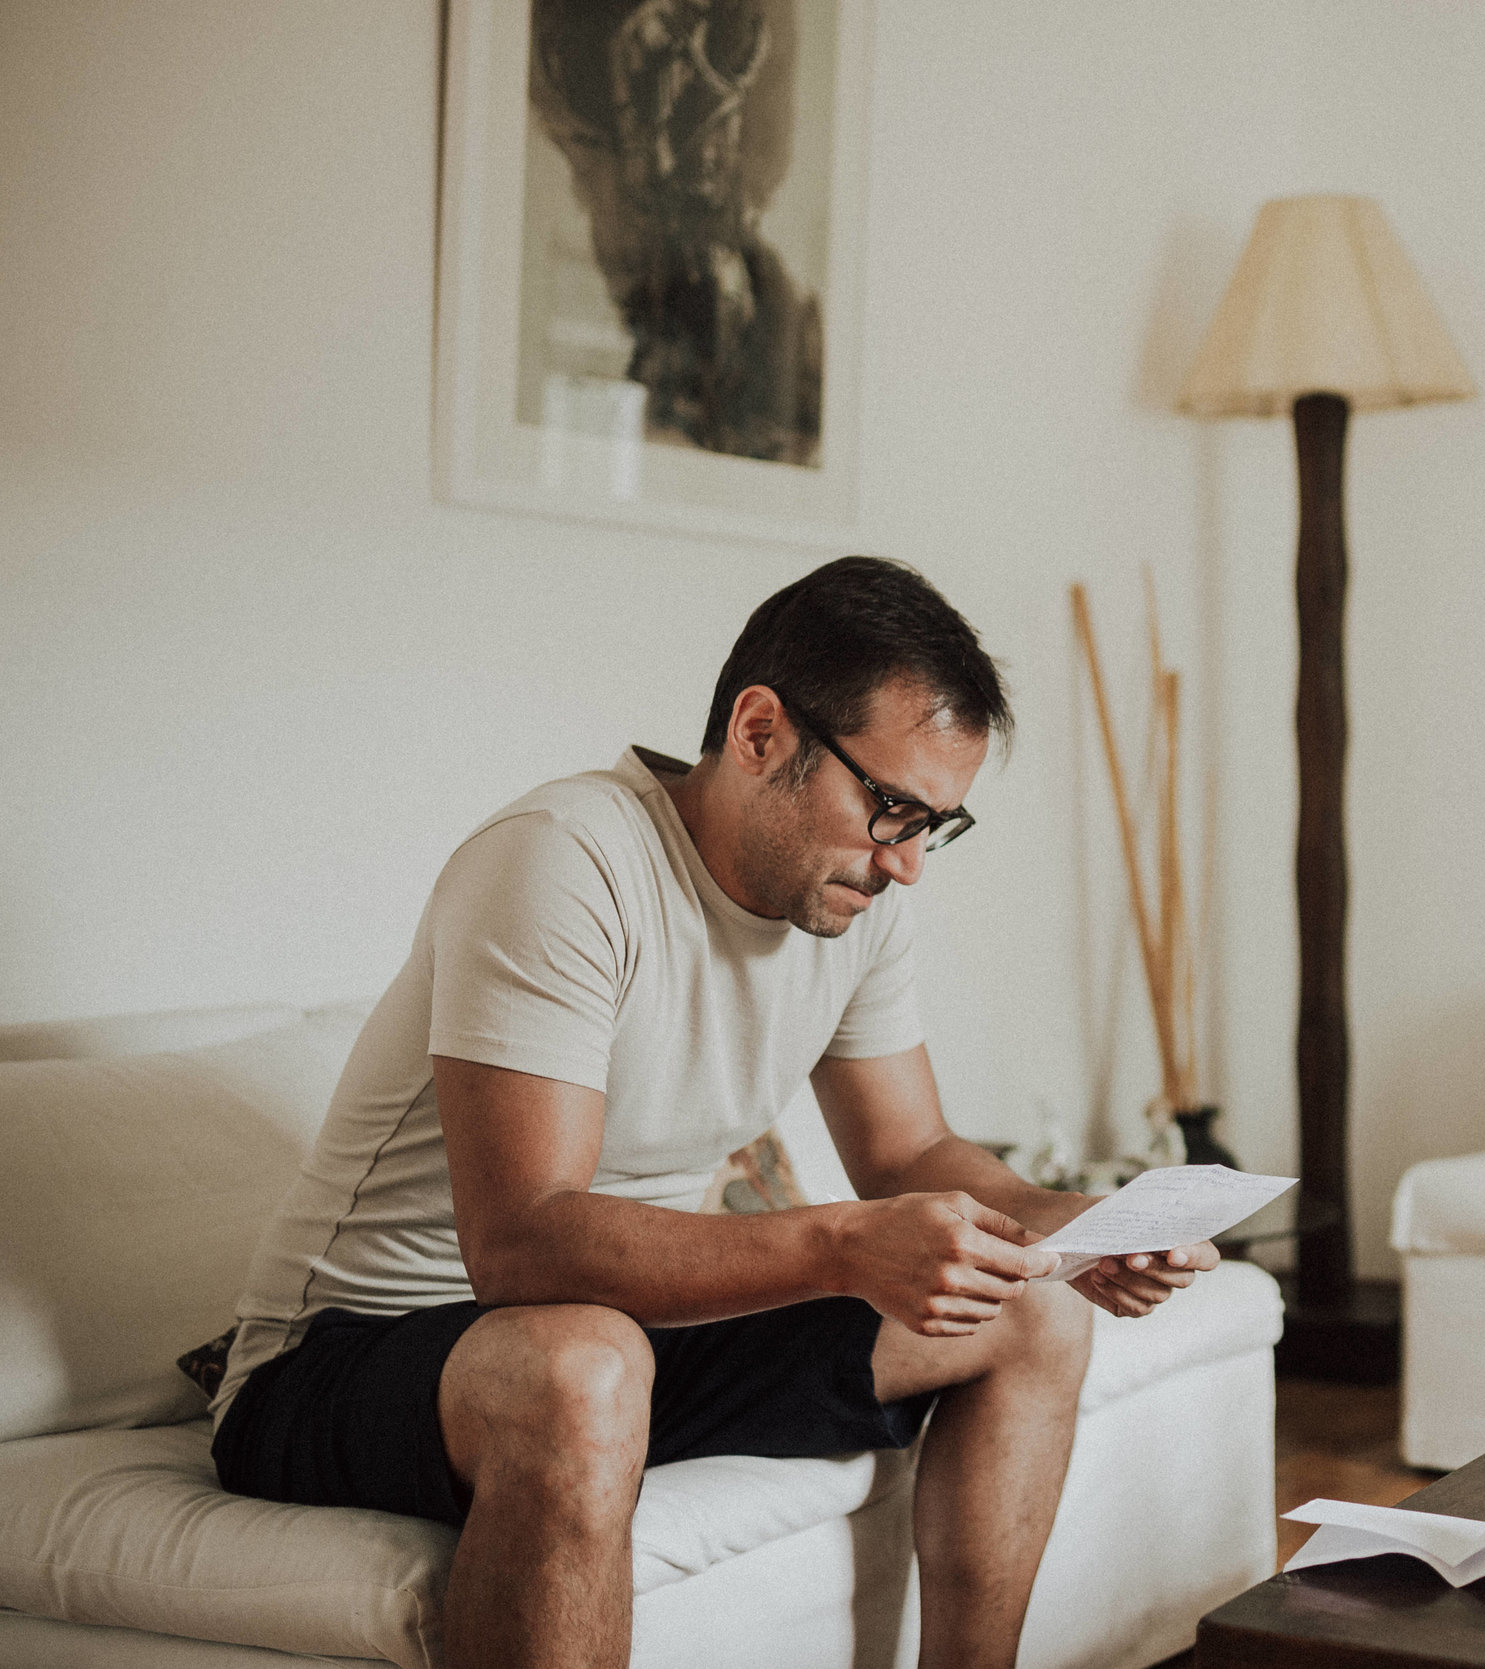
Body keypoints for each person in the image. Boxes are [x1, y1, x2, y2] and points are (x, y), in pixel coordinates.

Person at [207, 557, 1217, 1669]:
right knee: (580, 1364)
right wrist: (836, 1243)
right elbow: (520, 1243)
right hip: (350, 1359)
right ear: (758, 730)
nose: (908, 863)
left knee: (1032, 1313)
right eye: (889, 807)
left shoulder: (858, 905)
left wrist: (1076, 1225)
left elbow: (908, 1151)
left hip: (631, 1334)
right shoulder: (566, 859)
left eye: (937, 824)